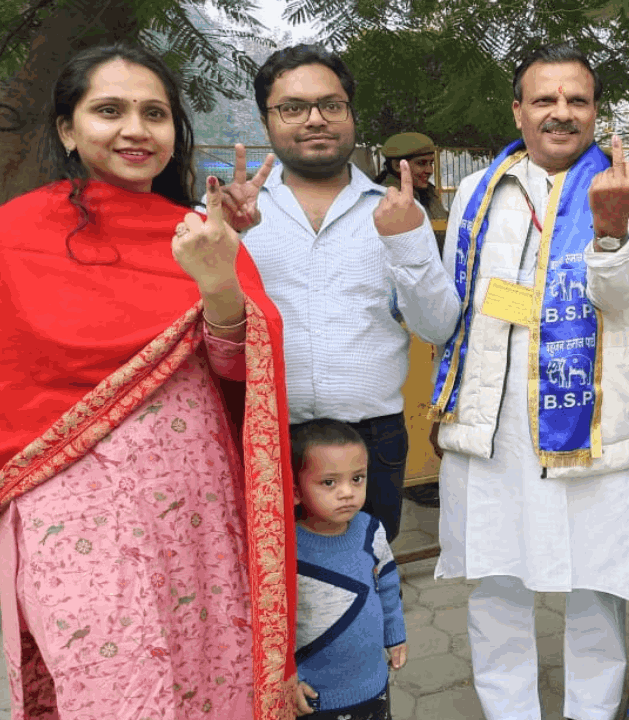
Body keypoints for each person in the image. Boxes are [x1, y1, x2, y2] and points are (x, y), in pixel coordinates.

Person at [0, 44, 295, 718]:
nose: (135, 129)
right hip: (69, 516)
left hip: (193, 506)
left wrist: (218, 282)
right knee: (113, 689)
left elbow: (240, 375)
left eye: (154, 114)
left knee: (208, 668)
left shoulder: (196, 235)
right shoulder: (13, 237)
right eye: (109, 111)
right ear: (67, 129)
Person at [429, 43, 629, 720]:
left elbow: (622, 297)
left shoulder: (621, 185)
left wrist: (611, 226)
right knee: (496, 588)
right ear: (519, 111)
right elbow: (454, 306)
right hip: (492, 426)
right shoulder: (478, 190)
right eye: (545, 100)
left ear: (595, 112)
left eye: (577, 100)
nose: (561, 113)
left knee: (596, 588)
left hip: (587, 419)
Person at [225, 45, 460, 543]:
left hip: (370, 440)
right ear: (267, 119)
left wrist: (405, 243)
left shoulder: (395, 212)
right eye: (293, 107)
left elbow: (438, 327)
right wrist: (228, 240)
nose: (315, 120)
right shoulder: (231, 215)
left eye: (331, 105)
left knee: (367, 578)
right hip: (265, 436)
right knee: (266, 584)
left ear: (351, 115)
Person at [291, 419, 407, 720]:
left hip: (373, 686)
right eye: (329, 482)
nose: (347, 492)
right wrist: (284, 677)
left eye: (357, 478)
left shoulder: (371, 530)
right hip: (317, 698)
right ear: (294, 490)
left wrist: (395, 635)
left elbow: (389, 586)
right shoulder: (283, 549)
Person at [376, 131, 449, 253]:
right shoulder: (385, 200)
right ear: (397, 166)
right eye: (421, 163)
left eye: (431, 163)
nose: (429, 170)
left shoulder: (427, 192)